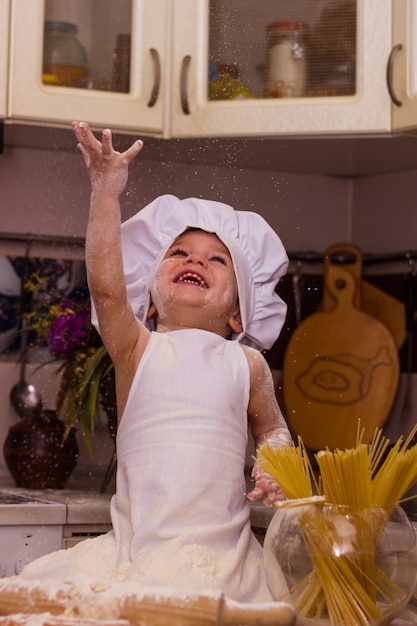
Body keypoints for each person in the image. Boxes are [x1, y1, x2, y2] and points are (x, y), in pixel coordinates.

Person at [21, 122, 292, 603]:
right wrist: (106, 195)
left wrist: (276, 461)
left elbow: (272, 429)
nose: (196, 260)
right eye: (180, 252)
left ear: (238, 313)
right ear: (146, 298)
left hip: (224, 556)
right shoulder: (137, 348)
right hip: (139, 550)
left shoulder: (246, 363)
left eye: (217, 259)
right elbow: (106, 288)